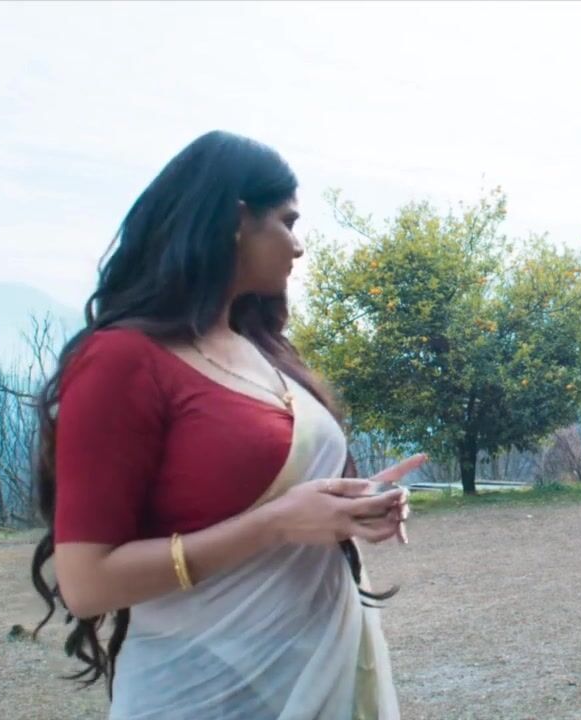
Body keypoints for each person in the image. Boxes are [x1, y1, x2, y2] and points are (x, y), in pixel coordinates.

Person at [28, 130, 422, 719]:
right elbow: (88, 584)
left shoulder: (261, 349)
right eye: (288, 222)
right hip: (200, 690)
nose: (298, 247)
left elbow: (277, 495)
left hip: (312, 664)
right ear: (238, 220)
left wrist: (355, 505)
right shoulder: (120, 360)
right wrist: (275, 526)